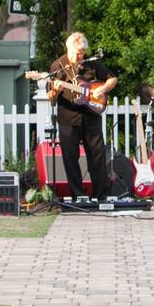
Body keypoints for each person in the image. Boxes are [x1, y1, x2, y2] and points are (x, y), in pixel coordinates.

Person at [48, 32, 117, 200]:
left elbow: (112, 79)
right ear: (68, 48)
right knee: (71, 158)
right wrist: (56, 90)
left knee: (97, 156)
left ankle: (101, 195)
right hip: (68, 118)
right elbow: (50, 96)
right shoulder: (58, 66)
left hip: (91, 116)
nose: (80, 56)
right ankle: (78, 196)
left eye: (82, 52)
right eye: (77, 52)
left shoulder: (91, 64)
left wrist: (103, 89)